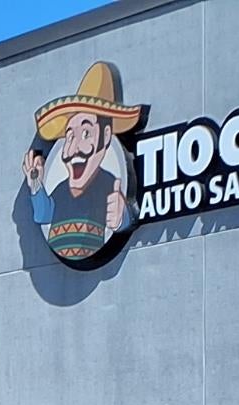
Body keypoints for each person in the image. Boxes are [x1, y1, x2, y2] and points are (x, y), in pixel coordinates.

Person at [22, 61, 144, 264]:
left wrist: (122, 218)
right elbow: (44, 214)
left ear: (106, 137)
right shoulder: (60, 190)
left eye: (86, 133)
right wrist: (36, 185)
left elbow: (121, 216)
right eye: (69, 136)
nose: (73, 148)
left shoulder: (109, 186)